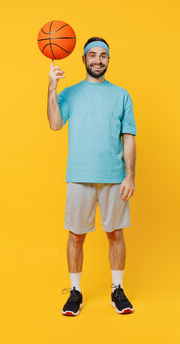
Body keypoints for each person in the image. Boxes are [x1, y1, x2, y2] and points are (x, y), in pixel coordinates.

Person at [47, 37, 137, 316]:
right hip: (79, 176)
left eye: (103, 56)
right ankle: (75, 292)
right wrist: (52, 86)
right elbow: (54, 123)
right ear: (83, 59)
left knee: (115, 233)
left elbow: (129, 136)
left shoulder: (122, 95)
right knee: (76, 235)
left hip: (113, 176)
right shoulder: (71, 93)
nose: (98, 60)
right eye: (93, 55)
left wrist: (130, 176)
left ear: (108, 60)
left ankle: (117, 290)